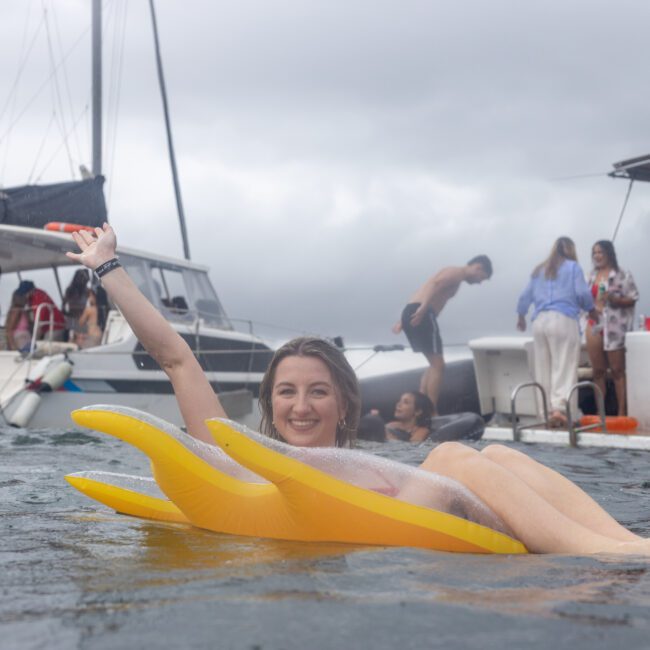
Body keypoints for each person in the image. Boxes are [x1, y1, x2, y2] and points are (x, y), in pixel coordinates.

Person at [67, 224, 650, 554]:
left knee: (495, 451)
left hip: (460, 542)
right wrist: (107, 267)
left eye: (318, 392)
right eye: (287, 391)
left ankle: (623, 547)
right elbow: (176, 359)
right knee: (452, 454)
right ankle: (611, 558)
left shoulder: (375, 463)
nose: (300, 405)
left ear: (345, 401)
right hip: (429, 562)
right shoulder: (242, 464)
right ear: (269, 401)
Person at [392, 256, 493, 414]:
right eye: (482, 278)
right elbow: (434, 284)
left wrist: (403, 319)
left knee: (433, 364)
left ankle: (421, 407)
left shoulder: (456, 276)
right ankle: (431, 410)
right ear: (478, 267)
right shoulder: (456, 272)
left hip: (415, 311)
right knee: (438, 365)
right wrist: (423, 309)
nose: (480, 282)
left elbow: (424, 290)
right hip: (423, 313)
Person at [516, 237, 599, 428]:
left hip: (539, 321)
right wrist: (592, 311)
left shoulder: (539, 269)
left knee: (543, 367)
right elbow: (582, 294)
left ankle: (545, 413)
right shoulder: (572, 267)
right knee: (564, 365)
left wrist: (521, 316)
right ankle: (560, 410)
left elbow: (524, 296)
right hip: (563, 318)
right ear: (571, 250)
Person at [586, 240, 639, 416]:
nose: (597, 256)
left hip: (615, 326)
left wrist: (614, 299)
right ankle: (601, 412)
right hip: (595, 324)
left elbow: (633, 298)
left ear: (609, 253)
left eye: (600, 252)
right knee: (598, 371)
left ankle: (621, 412)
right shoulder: (590, 276)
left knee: (617, 370)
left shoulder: (622, 274)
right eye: (594, 253)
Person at [62, 269, 91, 336]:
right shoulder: (69, 290)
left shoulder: (87, 291)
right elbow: (63, 307)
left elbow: (63, 307)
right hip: (73, 321)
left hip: (81, 320)